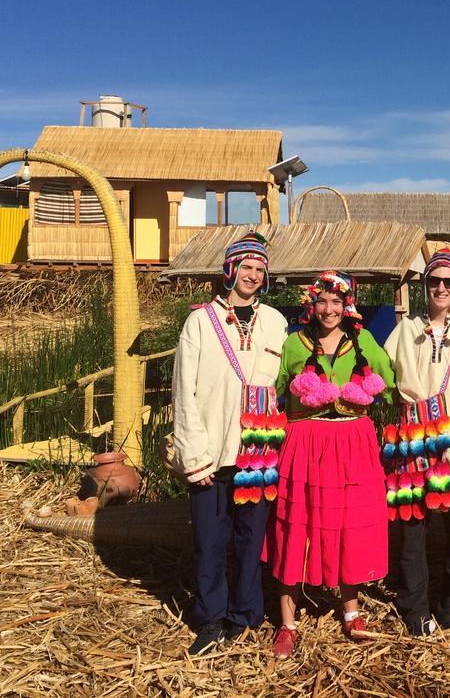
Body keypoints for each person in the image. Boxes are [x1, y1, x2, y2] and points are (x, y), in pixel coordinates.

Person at [170, 231, 288, 656]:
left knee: (251, 538)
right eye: (246, 268)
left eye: (260, 270)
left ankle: (245, 614)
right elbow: (184, 391)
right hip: (212, 449)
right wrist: (194, 454)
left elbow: (286, 384)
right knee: (210, 538)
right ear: (230, 270)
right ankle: (211, 618)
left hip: (256, 451)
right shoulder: (201, 321)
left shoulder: (275, 322)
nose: (253, 276)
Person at [268, 271, 397, 657]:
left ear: (347, 305)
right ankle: (287, 623)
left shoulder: (363, 341)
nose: (329, 309)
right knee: (297, 522)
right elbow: (276, 390)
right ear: (312, 304)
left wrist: (362, 392)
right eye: (322, 301)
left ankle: (351, 611)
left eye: (337, 302)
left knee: (348, 524)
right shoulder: (294, 343)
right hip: (305, 441)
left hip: (352, 441)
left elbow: (388, 384)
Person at [384, 249, 450, 636]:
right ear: (424, 286)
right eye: (434, 281)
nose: (441, 288)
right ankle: (415, 608)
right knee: (413, 534)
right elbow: (379, 371)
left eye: (449, 282)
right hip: (415, 449)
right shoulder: (405, 329)